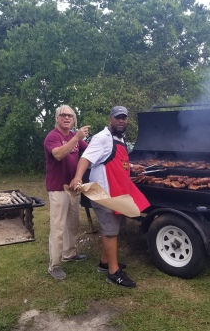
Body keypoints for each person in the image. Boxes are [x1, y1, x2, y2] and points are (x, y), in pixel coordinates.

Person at [70, 106, 150, 288]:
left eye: (124, 118)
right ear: (110, 119)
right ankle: (114, 273)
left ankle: (104, 262)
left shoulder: (119, 139)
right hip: (103, 194)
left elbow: (115, 163)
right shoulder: (102, 138)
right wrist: (77, 177)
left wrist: (131, 168)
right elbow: (86, 159)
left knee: (116, 227)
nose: (121, 120)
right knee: (111, 230)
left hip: (118, 193)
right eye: (118, 117)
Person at [44, 105, 90, 280]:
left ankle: (69, 254)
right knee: (58, 227)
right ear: (57, 118)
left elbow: (89, 150)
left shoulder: (73, 135)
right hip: (57, 187)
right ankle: (54, 265)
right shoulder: (53, 137)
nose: (66, 118)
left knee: (73, 223)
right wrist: (77, 137)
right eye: (63, 115)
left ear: (74, 119)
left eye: (70, 115)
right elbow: (58, 154)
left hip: (73, 187)